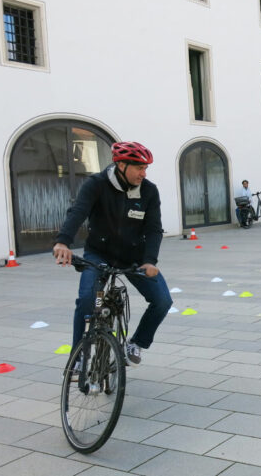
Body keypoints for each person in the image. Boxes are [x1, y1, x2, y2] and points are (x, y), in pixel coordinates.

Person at [53, 141, 172, 367]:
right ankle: (77, 357)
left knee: (163, 300)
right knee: (87, 299)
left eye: (146, 168)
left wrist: (149, 261)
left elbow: (153, 229)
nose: (143, 173)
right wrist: (62, 242)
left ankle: (136, 343)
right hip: (99, 254)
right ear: (121, 165)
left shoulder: (148, 191)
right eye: (139, 168)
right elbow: (78, 212)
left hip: (134, 257)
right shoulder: (96, 185)